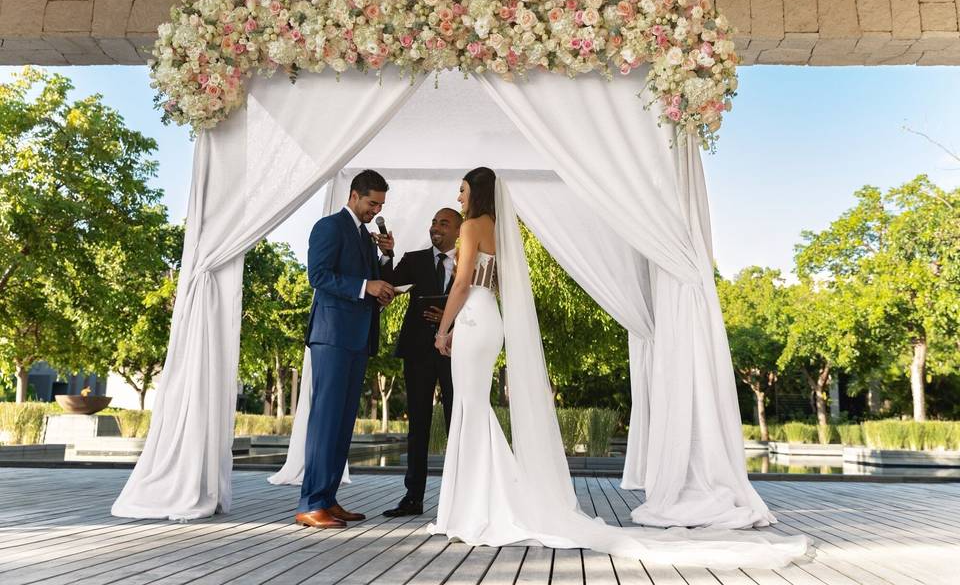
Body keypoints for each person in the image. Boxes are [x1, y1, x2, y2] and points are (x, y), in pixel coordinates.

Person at [426, 167, 810, 569]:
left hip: (472, 318)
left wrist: (443, 328)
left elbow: (462, 284)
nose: (459, 198)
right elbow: (492, 283)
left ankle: (475, 506)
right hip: (490, 318)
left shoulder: (471, 227)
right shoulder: (497, 228)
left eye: (463, 190)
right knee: (475, 408)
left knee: (470, 410)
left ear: (478, 192)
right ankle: (479, 503)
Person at [296, 169, 396, 529]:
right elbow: (318, 276)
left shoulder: (366, 237)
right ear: (354, 195)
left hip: (358, 336)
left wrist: (386, 260)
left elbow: (371, 279)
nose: (376, 210)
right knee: (325, 421)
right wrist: (366, 287)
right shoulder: (329, 227)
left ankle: (329, 498)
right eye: (372, 203)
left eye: (381, 205)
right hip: (332, 335)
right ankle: (311, 503)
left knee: (341, 423)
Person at [382, 208, 462, 517]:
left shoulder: (469, 262)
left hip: (455, 351)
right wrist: (388, 255)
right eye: (433, 222)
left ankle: (459, 498)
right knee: (418, 426)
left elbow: (479, 300)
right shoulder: (414, 259)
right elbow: (387, 284)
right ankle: (412, 498)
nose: (435, 227)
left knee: (458, 421)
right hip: (417, 352)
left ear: (458, 230)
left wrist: (450, 319)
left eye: (444, 223)